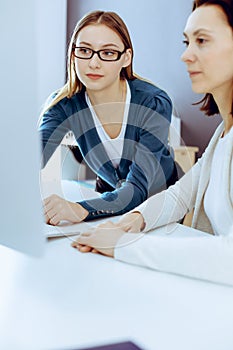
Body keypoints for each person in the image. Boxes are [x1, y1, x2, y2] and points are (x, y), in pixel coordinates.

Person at [72, 0, 233, 286]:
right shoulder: (223, 135)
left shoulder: (151, 101)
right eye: (186, 41)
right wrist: (131, 221)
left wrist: (124, 245)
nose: (186, 55)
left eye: (202, 40)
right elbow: (179, 196)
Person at [39, 10, 181, 225]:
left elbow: (137, 188)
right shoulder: (63, 105)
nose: (94, 63)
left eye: (107, 53)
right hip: (111, 205)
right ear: (73, 54)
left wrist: (79, 209)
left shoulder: (153, 103)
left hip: (160, 207)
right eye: (85, 50)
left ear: (126, 58)